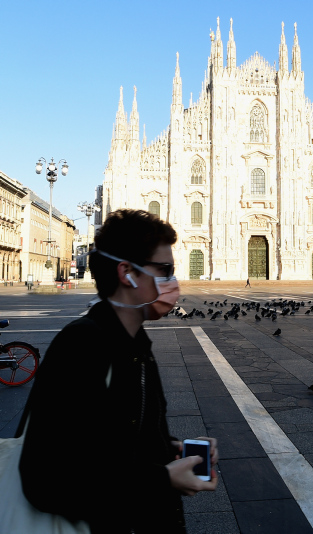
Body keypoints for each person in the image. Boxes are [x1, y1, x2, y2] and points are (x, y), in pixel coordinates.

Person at [17, 209, 218, 533]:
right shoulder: (81, 345)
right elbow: (46, 479)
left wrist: (168, 451)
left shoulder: (136, 343)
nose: (173, 281)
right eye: (164, 270)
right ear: (127, 273)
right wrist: (163, 478)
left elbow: (115, 442)